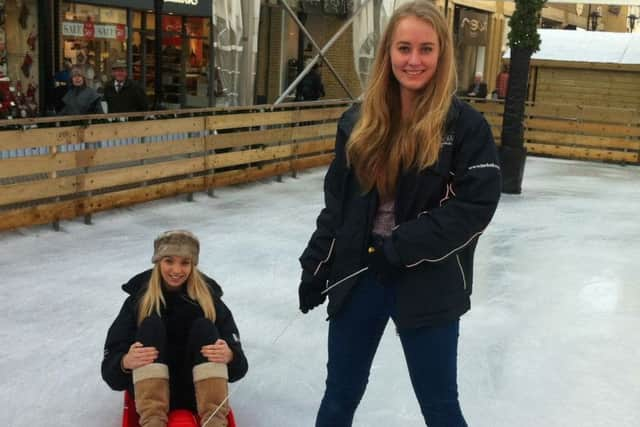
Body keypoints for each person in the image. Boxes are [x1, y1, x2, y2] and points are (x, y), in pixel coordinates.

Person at [297, 2, 501, 426]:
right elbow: (338, 205)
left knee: (440, 407)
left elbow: (474, 206)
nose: (413, 60)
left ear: (442, 54)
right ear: (388, 52)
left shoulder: (464, 127)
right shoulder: (358, 121)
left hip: (429, 279)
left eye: (426, 49)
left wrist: (403, 247)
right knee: (339, 397)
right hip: (360, 274)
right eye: (403, 47)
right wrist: (316, 265)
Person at [102, 230, 248, 427]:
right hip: (152, 396)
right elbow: (110, 369)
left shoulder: (210, 301)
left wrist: (230, 356)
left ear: (193, 265)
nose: (176, 270)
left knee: (205, 327)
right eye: (169, 261)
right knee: (151, 326)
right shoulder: (138, 301)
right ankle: (153, 422)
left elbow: (239, 366)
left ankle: (214, 422)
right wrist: (125, 361)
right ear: (158, 262)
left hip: (198, 395)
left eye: (185, 262)